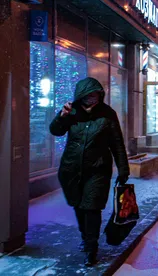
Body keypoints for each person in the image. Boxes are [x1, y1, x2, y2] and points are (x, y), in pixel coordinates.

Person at [49, 77, 129, 267]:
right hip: (71, 170)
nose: (92, 99)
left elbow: (116, 143)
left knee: (92, 207)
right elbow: (55, 131)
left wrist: (123, 169)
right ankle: (86, 237)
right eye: (88, 96)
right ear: (80, 96)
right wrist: (62, 116)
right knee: (79, 205)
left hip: (98, 170)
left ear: (100, 95)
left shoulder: (108, 114)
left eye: (95, 95)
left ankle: (91, 248)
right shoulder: (71, 111)